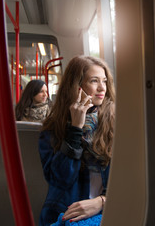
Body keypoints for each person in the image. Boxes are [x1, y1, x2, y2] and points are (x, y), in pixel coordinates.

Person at [39, 56, 115, 226]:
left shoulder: (116, 124)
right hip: (66, 209)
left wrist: (102, 201)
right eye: (94, 81)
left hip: (109, 207)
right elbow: (59, 180)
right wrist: (75, 130)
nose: (102, 87)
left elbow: (132, 179)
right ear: (77, 86)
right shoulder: (52, 129)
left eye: (104, 81)